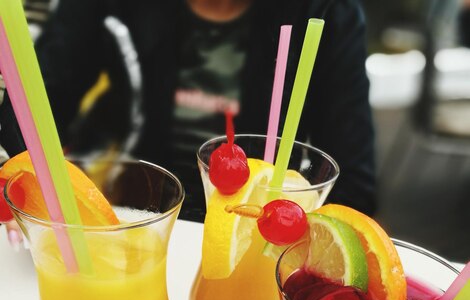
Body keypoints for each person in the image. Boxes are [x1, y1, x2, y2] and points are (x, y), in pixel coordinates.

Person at [0, 0, 376, 229]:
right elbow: (32, 105)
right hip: (128, 221)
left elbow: (352, 187)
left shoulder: (327, 11)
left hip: (251, 237)